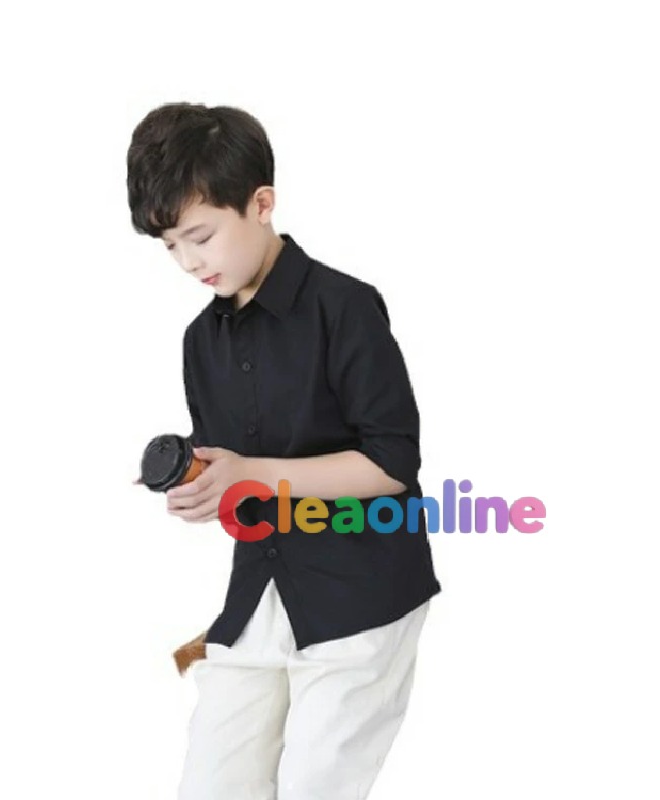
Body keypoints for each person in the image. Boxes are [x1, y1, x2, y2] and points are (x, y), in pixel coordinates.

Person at [126, 101, 442, 800]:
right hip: (261, 590)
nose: (187, 261)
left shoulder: (345, 307)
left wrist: (255, 474)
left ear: (261, 204)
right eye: (170, 246)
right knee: (211, 785)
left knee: (315, 786)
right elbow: (243, 488)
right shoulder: (199, 342)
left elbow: (393, 465)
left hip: (362, 589)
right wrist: (210, 489)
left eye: (200, 236)